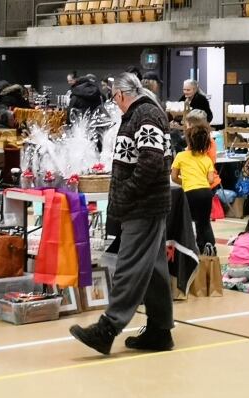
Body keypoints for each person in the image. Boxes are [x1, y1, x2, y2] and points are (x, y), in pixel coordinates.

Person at [69, 72, 173, 355]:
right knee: (152, 269)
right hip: (147, 205)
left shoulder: (146, 115)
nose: (115, 104)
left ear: (122, 95)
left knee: (128, 266)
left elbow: (151, 163)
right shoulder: (143, 114)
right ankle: (160, 330)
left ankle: (108, 328)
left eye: (114, 99)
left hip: (143, 206)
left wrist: (127, 193)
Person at [171, 119, 216, 251]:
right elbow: (211, 180)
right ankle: (209, 246)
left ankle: (189, 248)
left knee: (188, 221)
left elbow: (174, 177)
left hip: (190, 192)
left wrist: (185, 182)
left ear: (188, 140)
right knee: (205, 222)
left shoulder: (181, 156)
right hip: (206, 192)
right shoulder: (206, 159)